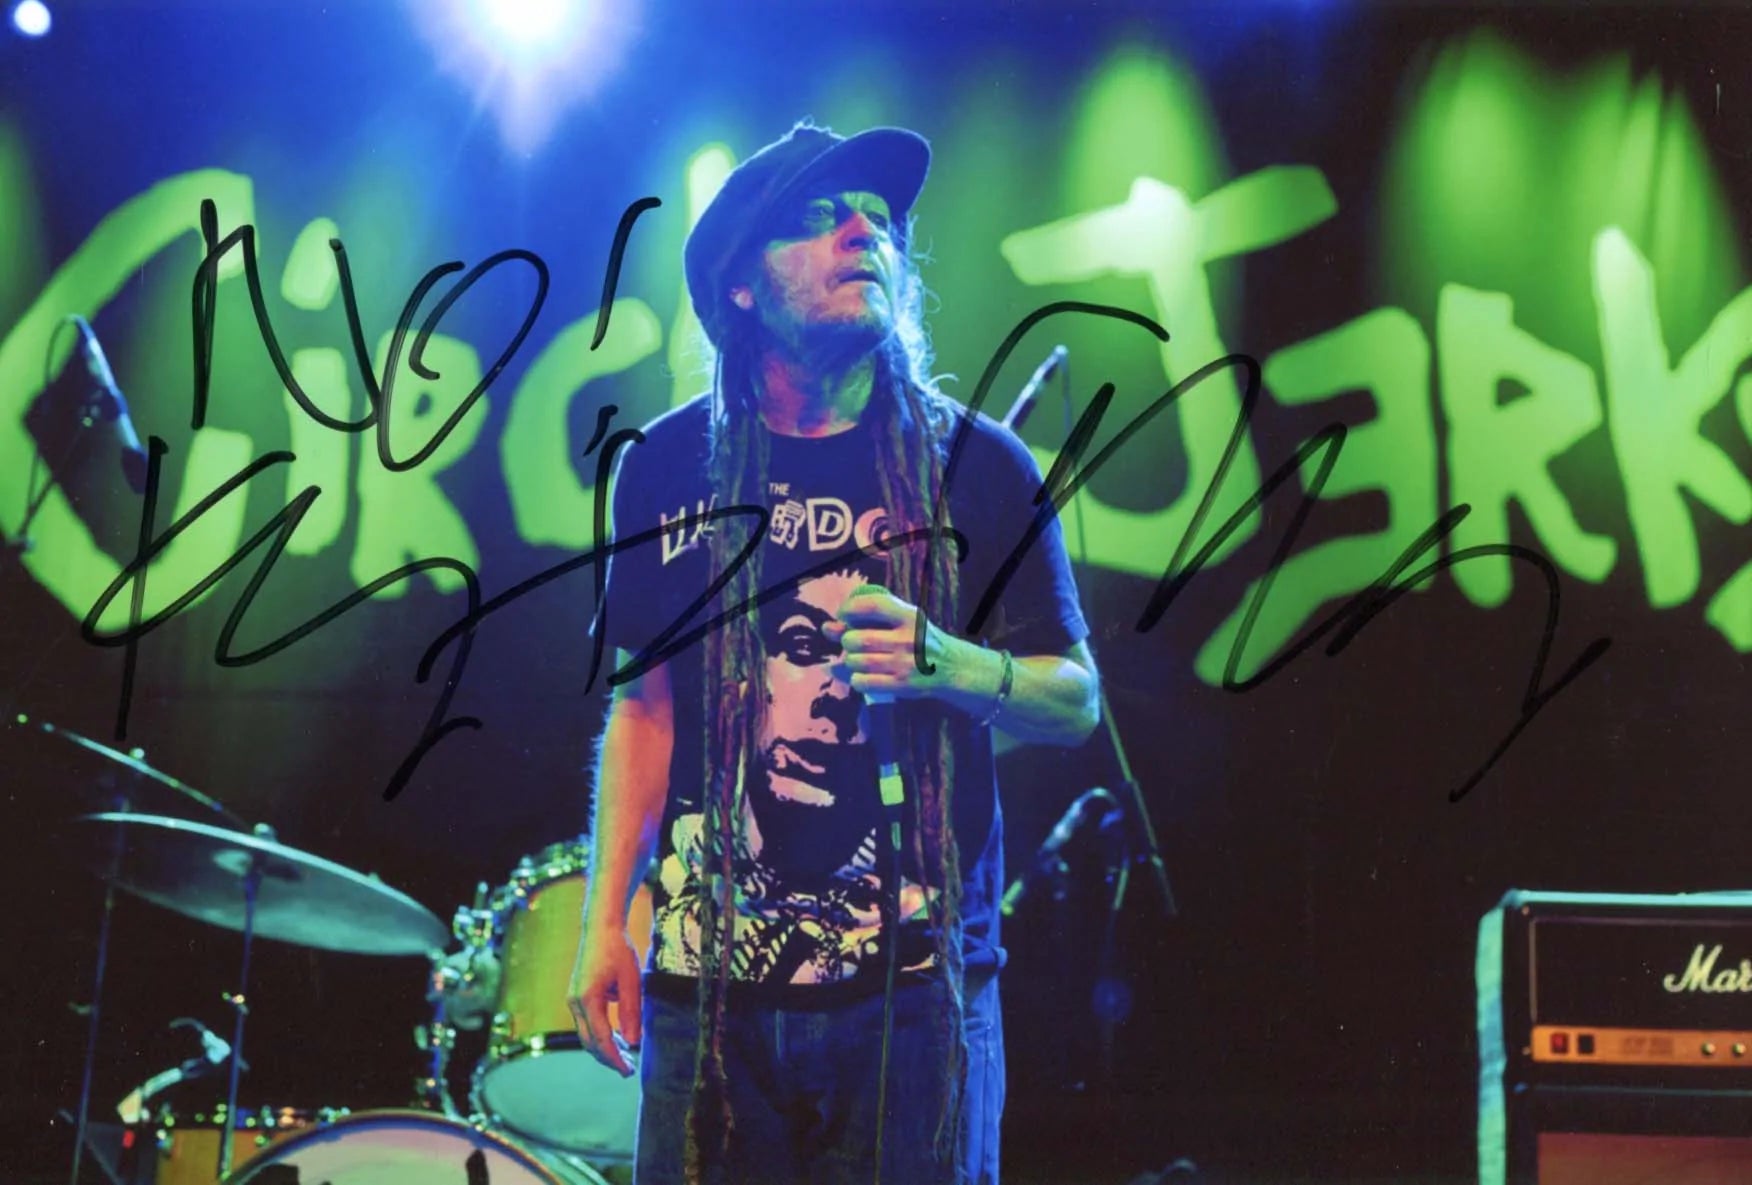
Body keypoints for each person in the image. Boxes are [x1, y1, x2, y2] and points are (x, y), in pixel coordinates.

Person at [569, 120, 1099, 1185]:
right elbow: (645, 707)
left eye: (878, 219)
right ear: (741, 288)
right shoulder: (667, 467)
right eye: (819, 217)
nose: (865, 233)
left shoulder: (977, 465)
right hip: (708, 996)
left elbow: (1075, 698)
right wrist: (601, 924)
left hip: (916, 1000)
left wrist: (949, 663)